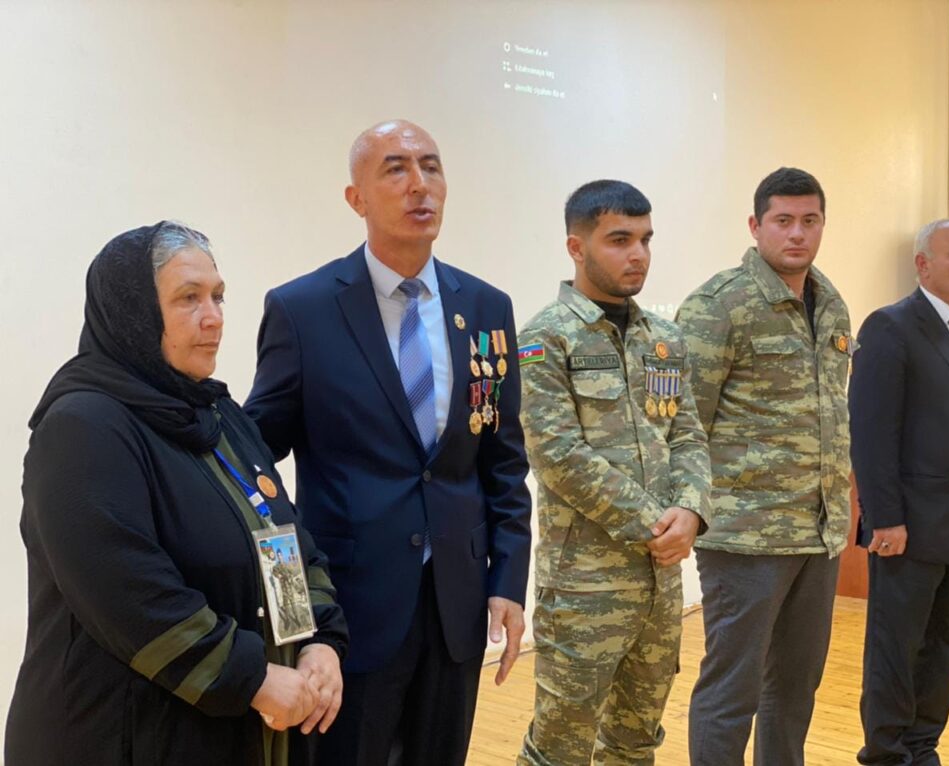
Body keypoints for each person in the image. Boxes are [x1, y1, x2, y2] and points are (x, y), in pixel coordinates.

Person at [4, 222, 347, 766]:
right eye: (189, 298)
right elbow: (129, 593)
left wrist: (320, 641)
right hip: (116, 735)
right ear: (133, 313)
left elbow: (288, 539)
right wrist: (252, 678)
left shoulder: (217, 414)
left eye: (218, 296)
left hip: (238, 730)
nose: (214, 317)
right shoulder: (83, 426)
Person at [245, 119, 532, 766]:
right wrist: (289, 597)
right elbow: (256, 459)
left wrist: (509, 579)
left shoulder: (486, 307)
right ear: (357, 199)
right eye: (396, 169)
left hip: (457, 602)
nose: (419, 184)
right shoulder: (304, 310)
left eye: (431, 166)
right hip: (349, 607)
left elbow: (503, 461)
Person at [515, 180, 711, 765]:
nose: (638, 254)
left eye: (646, 239)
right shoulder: (544, 338)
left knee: (635, 743)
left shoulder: (664, 340)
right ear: (576, 247)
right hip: (584, 588)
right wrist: (658, 522)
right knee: (559, 749)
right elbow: (558, 455)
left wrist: (692, 510)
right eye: (620, 240)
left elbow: (688, 434)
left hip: (660, 584)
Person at [675, 167, 853, 766]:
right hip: (744, 536)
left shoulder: (831, 304)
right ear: (755, 226)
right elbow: (682, 425)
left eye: (809, 220)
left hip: (818, 534)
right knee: (732, 692)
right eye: (783, 221)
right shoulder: (718, 305)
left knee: (795, 690)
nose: (797, 233)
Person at [850, 218, 949, 766]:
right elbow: (872, 434)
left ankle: (923, 748)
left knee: (948, 646)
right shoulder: (891, 327)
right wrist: (884, 517)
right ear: (923, 264)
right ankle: (887, 753)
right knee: (897, 648)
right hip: (910, 526)